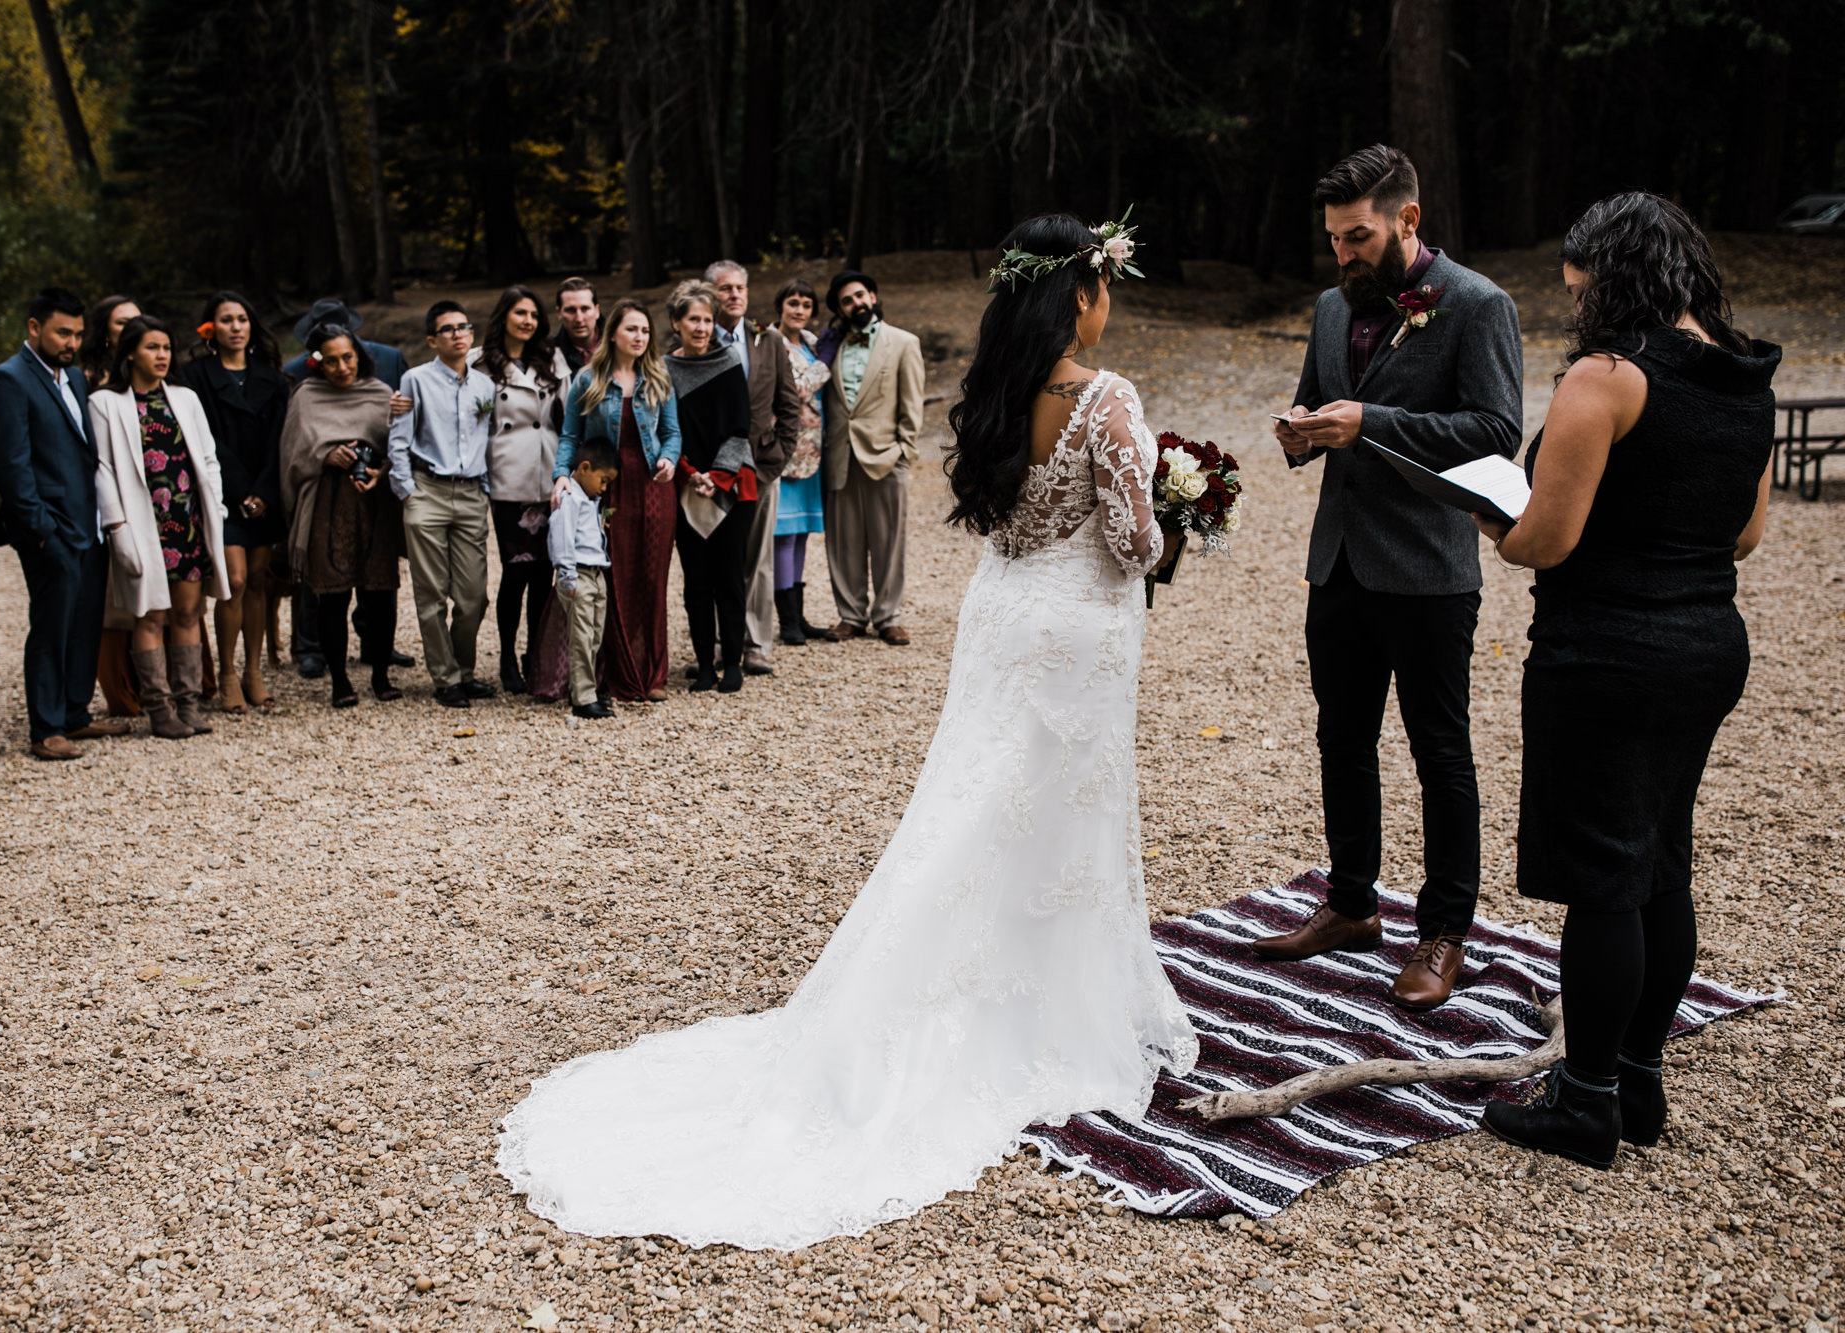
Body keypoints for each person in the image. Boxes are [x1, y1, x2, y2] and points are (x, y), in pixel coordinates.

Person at [498, 213, 1195, 1248]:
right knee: (1051, 810)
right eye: (1103, 289)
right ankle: (1039, 1006)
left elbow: (1008, 525)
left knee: (984, 798)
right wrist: (1187, 512)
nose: (1109, 307)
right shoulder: (1106, 397)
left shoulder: (999, 389)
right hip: (1078, 630)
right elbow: (1133, 542)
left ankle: (982, 970)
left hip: (1006, 618)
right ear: (1077, 293)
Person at [1478, 195, 1778, 1168]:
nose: (1576, 314)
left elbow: (1546, 539)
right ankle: (1639, 1078)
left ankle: (1585, 1099)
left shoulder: (1603, 381)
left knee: (1602, 875)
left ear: (1613, 281)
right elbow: (1743, 533)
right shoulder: (1745, 379)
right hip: (1705, 643)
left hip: (1605, 650)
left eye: (1579, 293)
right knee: (1658, 859)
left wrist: (1490, 520)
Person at [1254, 144, 1523, 1012]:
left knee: (1441, 753)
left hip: (1429, 568)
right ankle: (1351, 905)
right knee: (1343, 739)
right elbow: (1315, 401)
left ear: (1408, 219)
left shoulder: (1480, 305)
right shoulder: (1332, 308)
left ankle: (1443, 932)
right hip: (1337, 560)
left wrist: (1372, 420)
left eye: (1357, 235)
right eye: (1333, 238)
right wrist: (1298, 434)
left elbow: (1495, 431)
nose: (1342, 254)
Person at [0, 287, 127, 761]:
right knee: (51, 624)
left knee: (85, 620)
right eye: (63, 332)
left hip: (88, 522)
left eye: (79, 334)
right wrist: (41, 527)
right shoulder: (9, 380)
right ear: (33, 328)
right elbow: (11, 465)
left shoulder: (75, 379)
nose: (72, 342)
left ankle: (75, 714)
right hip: (48, 527)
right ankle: (46, 728)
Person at [90, 315, 232, 740]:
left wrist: (217, 509)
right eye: (153, 347)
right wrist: (116, 526)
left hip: (186, 520)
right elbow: (102, 468)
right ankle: (159, 708)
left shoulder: (185, 398)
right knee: (150, 615)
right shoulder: (106, 402)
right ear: (130, 352)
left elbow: (207, 457)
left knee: (187, 612)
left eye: (167, 348)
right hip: (141, 523)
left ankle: (188, 703)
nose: (162, 355)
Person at [551, 300, 680, 702]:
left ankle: (652, 673)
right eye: (632, 330)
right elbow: (570, 435)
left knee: (652, 578)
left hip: (653, 485)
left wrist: (669, 458)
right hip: (607, 487)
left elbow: (673, 432)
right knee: (614, 577)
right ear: (613, 335)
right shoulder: (588, 379)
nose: (640, 337)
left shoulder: (659, 377)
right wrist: (561, 476)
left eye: (645, 331)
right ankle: (612, 673)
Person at [281, 296, 415, 680]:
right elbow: (292, 452)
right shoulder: (305, 395)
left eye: (348, 358)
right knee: (328, 589)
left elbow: (398, 445)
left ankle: (379, 653)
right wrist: (324, 458)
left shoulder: (379, 393)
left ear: (358, 354)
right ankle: (321, 657)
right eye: (331, 360)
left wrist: (382, 466)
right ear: (316, 361)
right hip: (325, 502)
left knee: (379, 584)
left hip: (372, 501)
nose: (341, 367)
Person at [176, 290, 288, 714]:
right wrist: (243, 492)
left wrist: (264, 491)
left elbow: (280, 438)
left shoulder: (272, 378)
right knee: (234, 581)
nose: (236, 327)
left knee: (259, 581)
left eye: (242, 319)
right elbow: (206, 440)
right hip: (222, 493)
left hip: (266, 491)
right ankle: (226, 673)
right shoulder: (194, 377)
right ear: (211, 329)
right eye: (226, 320)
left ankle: (253, 671)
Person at [389, 301, 495, 709]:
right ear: (433, 339)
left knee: (474, 597)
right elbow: (399, 439)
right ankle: (446, 678)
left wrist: (483, 487)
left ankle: (464, 670)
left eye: (463, 327)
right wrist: (407, 490)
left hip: (470, 494)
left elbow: (483, 438)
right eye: (447, 329)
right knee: (431, 592)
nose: (457, 334)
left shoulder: (484, 387)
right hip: (427, 491)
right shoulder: (415, 380)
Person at [818, 268, 924, 646]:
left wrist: (903, 451)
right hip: (839, 456)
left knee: (888, 541)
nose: (856, 303)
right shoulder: (829, 347)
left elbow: (912, 407)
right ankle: (850, 616)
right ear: (841, 309)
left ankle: (887, 616)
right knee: (843, 542)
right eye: (847, 300)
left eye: (860, 295)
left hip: (885, 456)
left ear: (873, 297)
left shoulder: (904, 343)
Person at [476, 284, 572, 698]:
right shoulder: (481, 364)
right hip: (509, 480)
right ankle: (507, 657)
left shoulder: (551, 358)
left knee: (543, 573)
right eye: (520, 313)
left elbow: (567, 416)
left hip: (548, 475)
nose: (528, 321)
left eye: (533, 314)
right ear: (504, 317)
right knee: (516, 570)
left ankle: (536, 654)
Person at [705, 260, 800, 676]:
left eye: (740, 287)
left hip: (761, 465)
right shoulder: (697, 337)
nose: (735, 295)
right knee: (715, 560)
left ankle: (757, 644)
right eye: (726, 289)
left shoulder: (769, 339)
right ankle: (718, 644)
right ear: (710, 294)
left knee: (758, 559)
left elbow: (789, 403)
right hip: (710, 471)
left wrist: (779, 455)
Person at [665, 281, 755, 694]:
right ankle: (704, 664)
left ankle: (732, 663)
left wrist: (717, 476)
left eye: (706, 319)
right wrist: (689, 474)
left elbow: (740, 426)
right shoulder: (664, 370)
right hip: (684, 483)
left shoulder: (729, 360)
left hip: (733, 483)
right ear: (676, 323)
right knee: (696, 580)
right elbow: (665, 430)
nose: (701, 327)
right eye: (693, 320)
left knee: (729, 578)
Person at [83, 295, 147, 719]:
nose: (128, 329)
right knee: (114, 599)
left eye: (135, 321)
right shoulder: (87, 376)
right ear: (104, 329)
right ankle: (121, 690)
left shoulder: (151, 373)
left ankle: (169, 682)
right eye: (120, 322)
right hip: (107, 492)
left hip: (153, 489)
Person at [770, 278, 830, 646]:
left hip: (814, 453)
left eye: (806, 305)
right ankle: (786, 620)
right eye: (793, 302)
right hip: (788, 453)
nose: (799, 310)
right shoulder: (772, 343)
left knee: (803, 532)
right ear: (781, 306)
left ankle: (800, 615)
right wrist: (824, 363)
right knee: (784, 534)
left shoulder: (809, 341)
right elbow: (796, 389)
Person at [548, 439, 620, 720]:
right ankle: (582, 698)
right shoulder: (569, 499)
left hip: (597, 574)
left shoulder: (590, 500)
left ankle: (587, 690)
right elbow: (561, 538)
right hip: (579, 574)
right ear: (585, 468)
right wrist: (567, 577)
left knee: (593, 636)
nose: (604, 488)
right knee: (581, 637)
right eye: (603, 481)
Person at [81, 295, 142, 392]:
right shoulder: (86, 378)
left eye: (138, 322)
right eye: (122, 323)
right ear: (104, 332)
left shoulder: (158, 371)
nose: (133, 328)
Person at [551, 279, 601, 374]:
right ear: (559, 313)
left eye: (585, 309)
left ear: (597, 311)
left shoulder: (618, 347)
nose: (579, 319)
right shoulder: (549, 354)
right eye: (570, 310)